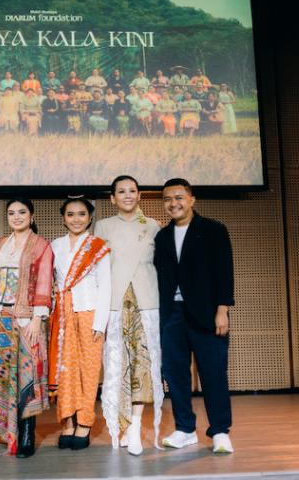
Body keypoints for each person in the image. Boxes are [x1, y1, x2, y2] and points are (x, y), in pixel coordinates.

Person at [153, 178, 235, 454]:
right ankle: (185, 429)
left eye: (178, 197)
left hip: (207, 314)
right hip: (172, 316)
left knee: (213, 374)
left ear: (191, 199)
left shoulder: (213, 230)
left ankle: (220, 431)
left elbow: (224, 272)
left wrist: (222, 309)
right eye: (167, 199)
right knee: (175, 375)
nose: (173, 203)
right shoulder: (162, 236)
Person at [97, 176, 164, 456]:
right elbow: (98, 270)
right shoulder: (103, 226)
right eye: (121, 192)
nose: (127, 195)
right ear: (112, 198)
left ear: (140, 196)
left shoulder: (153, 226)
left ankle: (136, 424)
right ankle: (121, 425)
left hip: (146, 301)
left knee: (144, 363)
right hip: (114, 301)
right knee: (116, 364)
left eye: (132, 191)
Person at [0, 198, 54, 458]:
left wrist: (37, 318)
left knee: (27, 374)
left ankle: (26, 433)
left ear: (31, 214)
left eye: (22, 212)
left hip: (27, 316)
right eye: (12, 213)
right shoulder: (0, 244)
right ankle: (3, 431)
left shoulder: (41, 245)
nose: (16, 217)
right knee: (0, 373)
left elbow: (45, 280)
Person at [49, 197, 111, 451]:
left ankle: (84, 422)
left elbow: (105, 284)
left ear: (90, 217)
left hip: (89, 312)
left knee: (88, 371)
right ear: (63, 217)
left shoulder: (98, 246)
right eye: (71, 214)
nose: (76, 219)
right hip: (63, 314)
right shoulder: (55, 246)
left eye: (81, 214)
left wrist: (100, 322)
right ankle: (68, 422)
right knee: (65, 370)